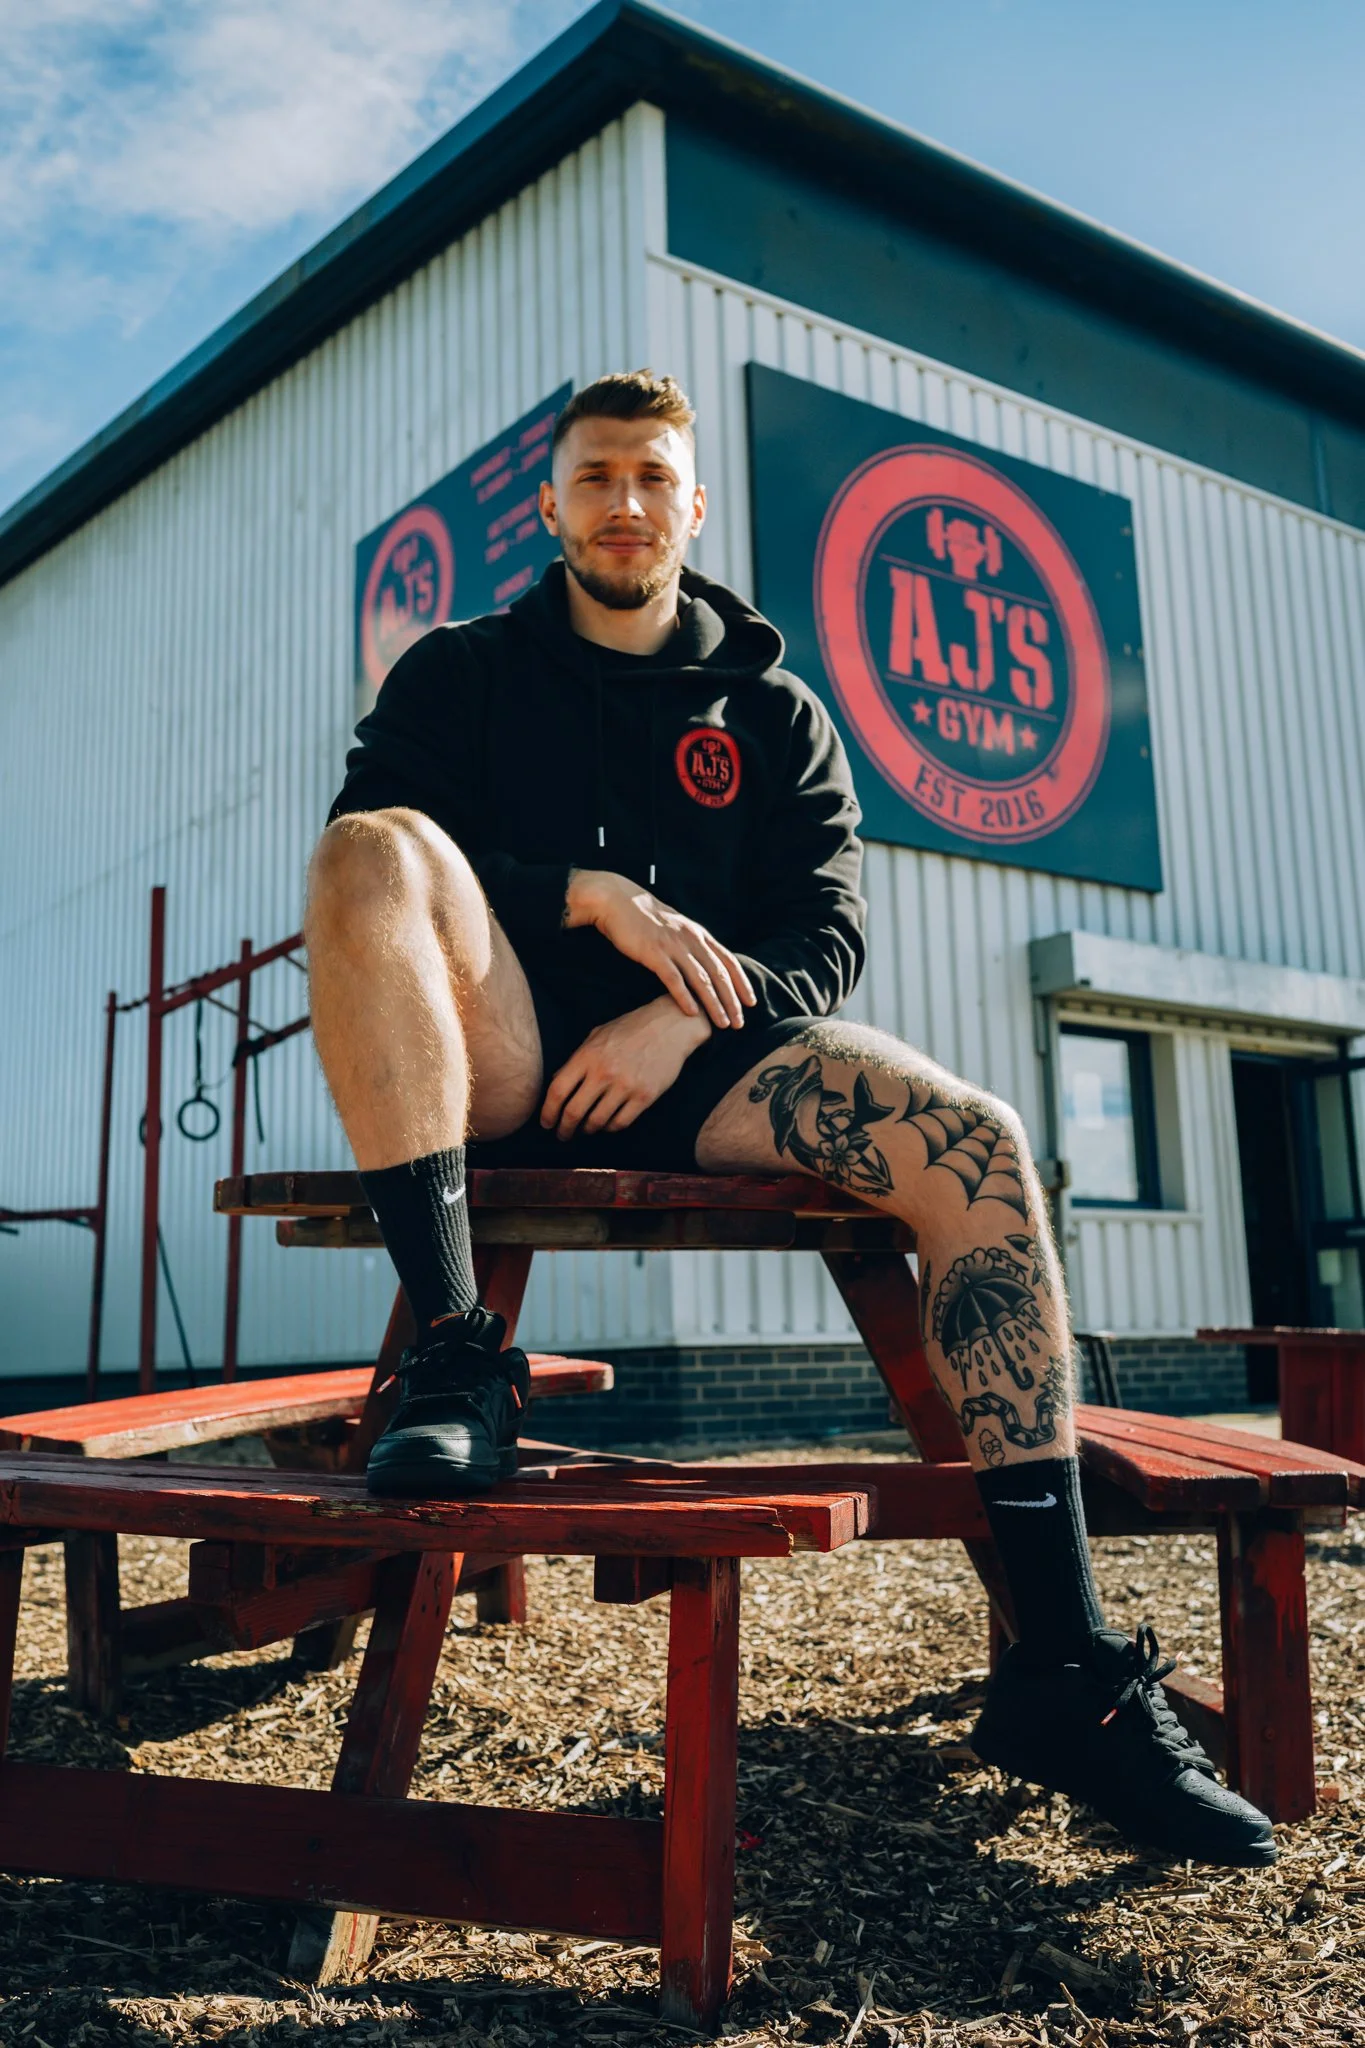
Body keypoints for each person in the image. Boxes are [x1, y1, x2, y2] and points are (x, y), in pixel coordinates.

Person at [306, 369, 1276, 1868]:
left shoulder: (776, 711)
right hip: (496, 1050)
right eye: (597, 476)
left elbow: (824, 938)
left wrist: (680, 1007)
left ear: (693, 507)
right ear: (554, 504)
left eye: (653, 478)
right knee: (371, 849)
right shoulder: (461, 673)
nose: (625, 502)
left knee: (978, 1150)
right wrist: (588, 895)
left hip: (704, 1063)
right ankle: (451, 1359)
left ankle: (1066, 1673)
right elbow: (384, 876)